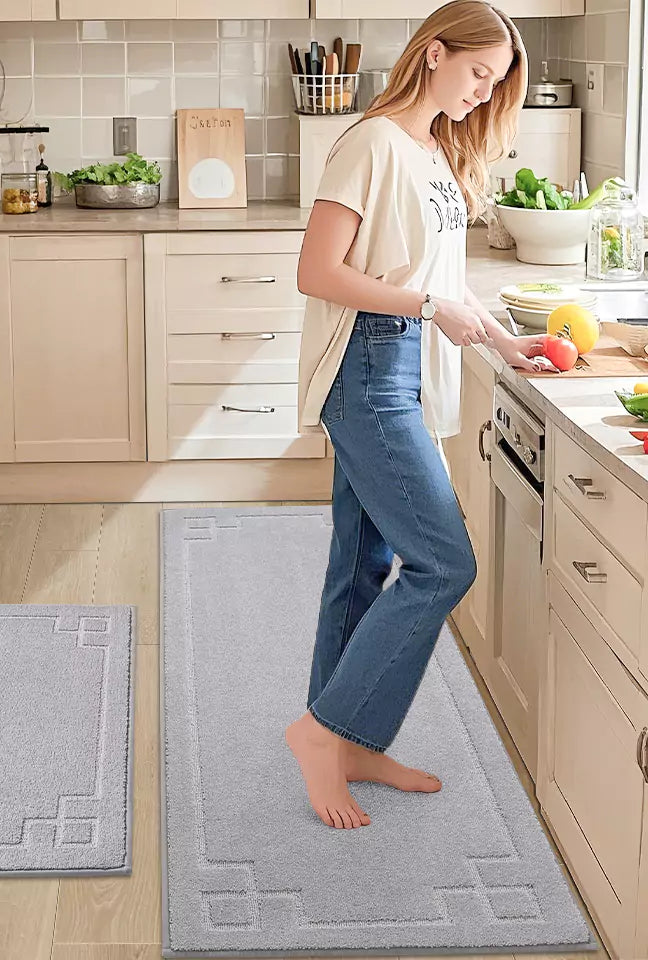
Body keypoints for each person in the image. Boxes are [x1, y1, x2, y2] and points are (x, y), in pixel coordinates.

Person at [285, 0, 559, 830]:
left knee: (362, 563)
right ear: (434, 53)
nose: (485, 92)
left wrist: (505, 343)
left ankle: (354, 745)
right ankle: (324, 731)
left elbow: (442, 277)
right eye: (479, 73)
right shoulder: (371, 144)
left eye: (496, 82)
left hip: (401, 366)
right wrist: (431, 305)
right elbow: (317, 271)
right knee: (446, 564)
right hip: (366, 370)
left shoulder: (435, 150)